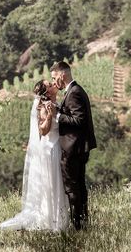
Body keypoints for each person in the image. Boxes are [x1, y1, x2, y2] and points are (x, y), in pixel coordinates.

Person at [0, 80, 69, 232]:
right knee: (52, 185)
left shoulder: (54, 102)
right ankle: (52, 220)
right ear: (47, 92)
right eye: (50, 84)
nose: (53, 84)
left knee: (57, 184)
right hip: (50, 150)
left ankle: (59, 219)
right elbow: (43, 131)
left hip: (57, 147)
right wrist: (50, 116)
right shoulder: (44, 107)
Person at [51, 61, 97, 230]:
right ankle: (83, 222)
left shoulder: (74, 92)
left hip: (73, 148)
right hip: (78, 148)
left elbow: (78, 120)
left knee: (72, 187)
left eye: (55, 77)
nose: (55, 81)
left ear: (62, 75)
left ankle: (77, 224)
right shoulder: (74, 90)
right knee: (79, 185)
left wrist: (56, 116)